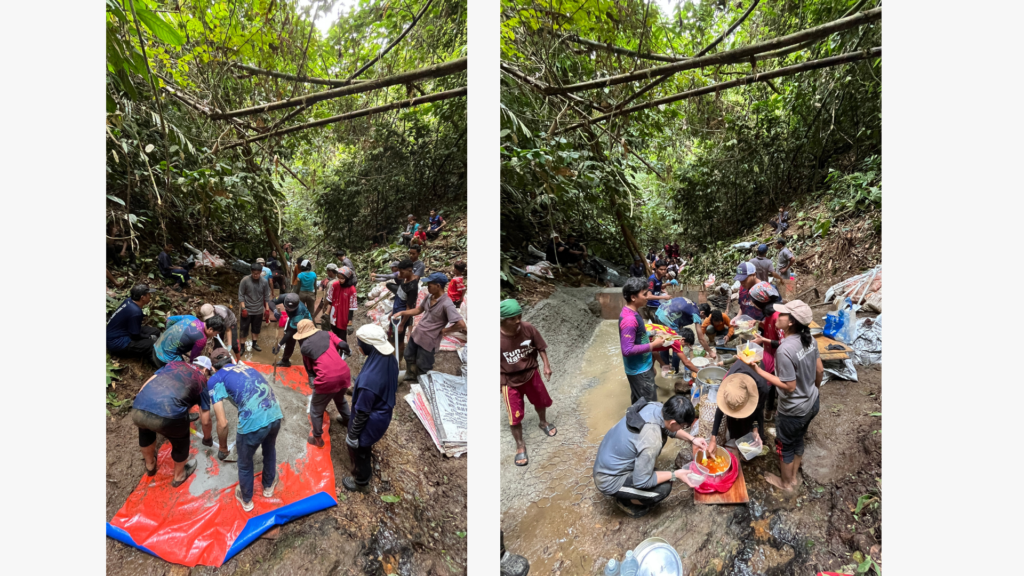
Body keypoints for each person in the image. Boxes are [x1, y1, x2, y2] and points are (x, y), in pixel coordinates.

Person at [737, 300, 822, 494]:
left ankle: (785, 483)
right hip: (812, 403)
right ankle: (793, 476)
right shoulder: (809, 340)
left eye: (782, 315)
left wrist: (756, 368)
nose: (778, 317)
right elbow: (820, 370)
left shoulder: (785, 350)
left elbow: (790, 386)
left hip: (793, 410)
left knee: (784, 446)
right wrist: (811, 392)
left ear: (791, 322)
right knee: (798, 439)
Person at [592, 396, 708, 517]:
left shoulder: (656, 407)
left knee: (656, 471)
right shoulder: (651, 440)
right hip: (608, 478)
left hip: (607, 458)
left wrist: (693, 439)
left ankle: (635, 477)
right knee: (664, 488)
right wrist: (676, 474)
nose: (683, 429)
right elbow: (641, 482)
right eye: (683, 426)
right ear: (673, 422)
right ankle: (625, 501)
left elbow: (669, 429)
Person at [206, 349, 284, 511]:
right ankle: (268, 487)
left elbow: (222, 423)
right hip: (275, 413)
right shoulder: (247, 367)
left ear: (213, 368)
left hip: (252, 423)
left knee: (244, 463)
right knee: (269, 450)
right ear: (232, 360)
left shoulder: (215, 379)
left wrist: (222, 447)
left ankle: (247, 499)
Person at [130, 356, 213, 487]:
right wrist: (207, 438)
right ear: (205, 370)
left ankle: (150, 466)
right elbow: (206, 418)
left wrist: (140, 401)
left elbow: (149, 382)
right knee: (181, 440)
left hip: (138, 408)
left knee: (145, 431)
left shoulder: (174, 364)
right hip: (168, 416)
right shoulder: (201, 379)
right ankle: (179, 476)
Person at [499, 299, 555, 467]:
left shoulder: (528, 328)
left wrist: (546, 365)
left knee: (540, 401)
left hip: (531, 373)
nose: (517, 321)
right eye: (512, 318)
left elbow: (540, 347)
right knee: (514, 416)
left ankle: (543, 422)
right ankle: (520, 444)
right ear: (502, 319)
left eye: (519, 316)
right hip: (509, 380)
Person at [345, 324, 399, 492]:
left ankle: (361, 481)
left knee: (360, 449)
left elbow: (362, 412)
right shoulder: (389, 358)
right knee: (363, 444)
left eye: (360, 343)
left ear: (369, 346)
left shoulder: (369, 381)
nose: (358, 346)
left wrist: (353, 435)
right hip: (383, 410)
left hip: (371, 419)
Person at [394, 272, 466, 381]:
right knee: (409, 355)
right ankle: (411, 374)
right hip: (418, 333)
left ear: (438, 286)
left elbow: (461, 324)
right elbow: (419, 309)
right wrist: (402, 313)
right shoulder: (429, 297)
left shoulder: (447, 304)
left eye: (430, 285)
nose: (427, 287)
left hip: (429, 339)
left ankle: (422, 381)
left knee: (423, 363)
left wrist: (444, 330)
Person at [294, 320, 352, 448]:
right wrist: (347, 351)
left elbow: (310, 369)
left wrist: (314, 381)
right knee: (340, 398)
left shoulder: (305, 348)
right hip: (344, 373)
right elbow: (343, 344)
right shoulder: (327, 334)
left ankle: (317, 438)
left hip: (327, 379)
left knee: (316, 409)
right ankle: (349, 421)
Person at [707, 362, 769, 456]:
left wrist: (755, 430)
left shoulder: (762, 388)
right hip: (738, 374)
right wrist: (713, 438)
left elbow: (758, 410)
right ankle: (736, 439)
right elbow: (720, 410)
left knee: (752, 427)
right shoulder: (729, 386)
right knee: (734, 423)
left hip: (757, 391)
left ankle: (755, 439)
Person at [619, 278, 665, 404]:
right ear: (633, 297)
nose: (647, 297)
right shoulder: (629, 319)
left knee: (638, 403)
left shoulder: (633, 312)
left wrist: (654, 333)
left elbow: (639, 334)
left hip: (642, 367)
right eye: (644, 294)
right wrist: (653, 345)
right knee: (649, 406)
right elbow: (627, 350)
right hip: (639, 370)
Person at [749, 281, 784, 421]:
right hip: (770, 354)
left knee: (772, 385)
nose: (752, 304)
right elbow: (769, 327)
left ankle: (770, 411)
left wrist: (763, 340)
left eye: (753, 301)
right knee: (769, 382)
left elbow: (784, 343)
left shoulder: (778, 316)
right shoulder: (769, 312)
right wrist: (758, 323)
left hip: (780, 357)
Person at [107, 284, 162, 361]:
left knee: (155, 332)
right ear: (142, 298)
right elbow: (135, 336)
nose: (150, 296)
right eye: (148, 294)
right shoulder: (135, 312)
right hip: (117, 343)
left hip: (122, 331)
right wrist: (148, 337)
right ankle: (156, 361)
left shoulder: (129, 301)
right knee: (151, 344)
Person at [153, 313, 223, 368]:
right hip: (163, 360)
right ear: (210, 329)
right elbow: (194, 360)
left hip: (156, 347)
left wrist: (171, 335)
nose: (214, 336)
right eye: (216, 333)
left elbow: (169, 320)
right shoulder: (201, 339)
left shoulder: (191, 318)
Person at [387, 259, 420, 362]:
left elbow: (409, 308)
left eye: (402, 272)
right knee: (391, 336)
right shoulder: (404, 279)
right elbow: (398, 297)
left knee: (399, 340)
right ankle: (392, 357)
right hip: (396, 314)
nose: (399, 274)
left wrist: (402, 324)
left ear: (410, 270)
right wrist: (392, 312)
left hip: (402, 317)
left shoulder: (412, 287)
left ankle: (398, 360)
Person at [270, 292, 313, 367]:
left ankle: (310, 367)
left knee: (304, 345)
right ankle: (285, 361)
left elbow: (290, 332)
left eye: (290, 309)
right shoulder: (285, 297)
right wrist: (275, 310)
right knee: (289, 342)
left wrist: (279, 345)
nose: (288, 310)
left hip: (305, 323)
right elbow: (271, 302)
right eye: (287, 308)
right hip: (293, 319)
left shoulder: (299, 312)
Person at [238, 262, 273, 351]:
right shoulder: (245, 280)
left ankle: (254, 343)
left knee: (256, 328)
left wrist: (267, 310)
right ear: (251, 271)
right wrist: (243, 308)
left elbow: (266, 296)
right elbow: (241, 295)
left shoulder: (264, 282)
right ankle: (242, 347)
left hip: (258, 310)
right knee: (244, 329)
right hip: (247, 309)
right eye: (254, 273)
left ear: (261, 272)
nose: (255, 275)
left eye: (257, 274)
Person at [322, 266, 356, 340]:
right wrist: (327, 313)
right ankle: (336, 350)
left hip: (344, 315)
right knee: (334, 333)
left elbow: (351, 308)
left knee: (342, 336)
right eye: (338, 278)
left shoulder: (351, 290)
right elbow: (330, 300)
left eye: (342, 278)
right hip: (334, 313)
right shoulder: (335, 285)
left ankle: (344, 351)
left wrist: (350, 322)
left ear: (347, 278)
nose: (340, 280)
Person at [642, 260, 673, 324]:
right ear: (656, 269)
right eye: (661, 269)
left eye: (665, 269)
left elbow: (658, 287)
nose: (663, 271)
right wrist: (663, 297)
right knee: (658, 325)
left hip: (658, 304)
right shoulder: (652, 279)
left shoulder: (660, 277)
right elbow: (648, 296)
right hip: (652, 306)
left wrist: (666, 285)